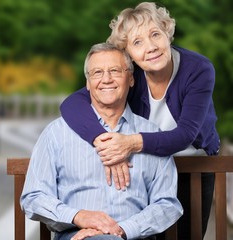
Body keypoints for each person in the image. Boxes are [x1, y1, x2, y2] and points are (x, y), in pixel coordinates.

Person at [59, 2, 220, 239]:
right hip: (148, 171)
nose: (151, 47)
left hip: (193, 168)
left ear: (167, 33)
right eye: (137, 42)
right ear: (129, 54)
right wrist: (105, 142)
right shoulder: (129, 75)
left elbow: (185, 134)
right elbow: (71, 103)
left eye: (155, 34)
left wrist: (129, 143)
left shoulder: (198, 69)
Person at [21, 43, 183, 240]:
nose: (106, 79)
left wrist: (122, 229)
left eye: (115, 71)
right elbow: (33, 197)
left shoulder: (151, 134)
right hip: (77, 235)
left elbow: (167, 204)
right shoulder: (57, 133)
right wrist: (79, 216)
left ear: (131, 79)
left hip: (133, 236)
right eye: (97, 72)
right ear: (88, 83)